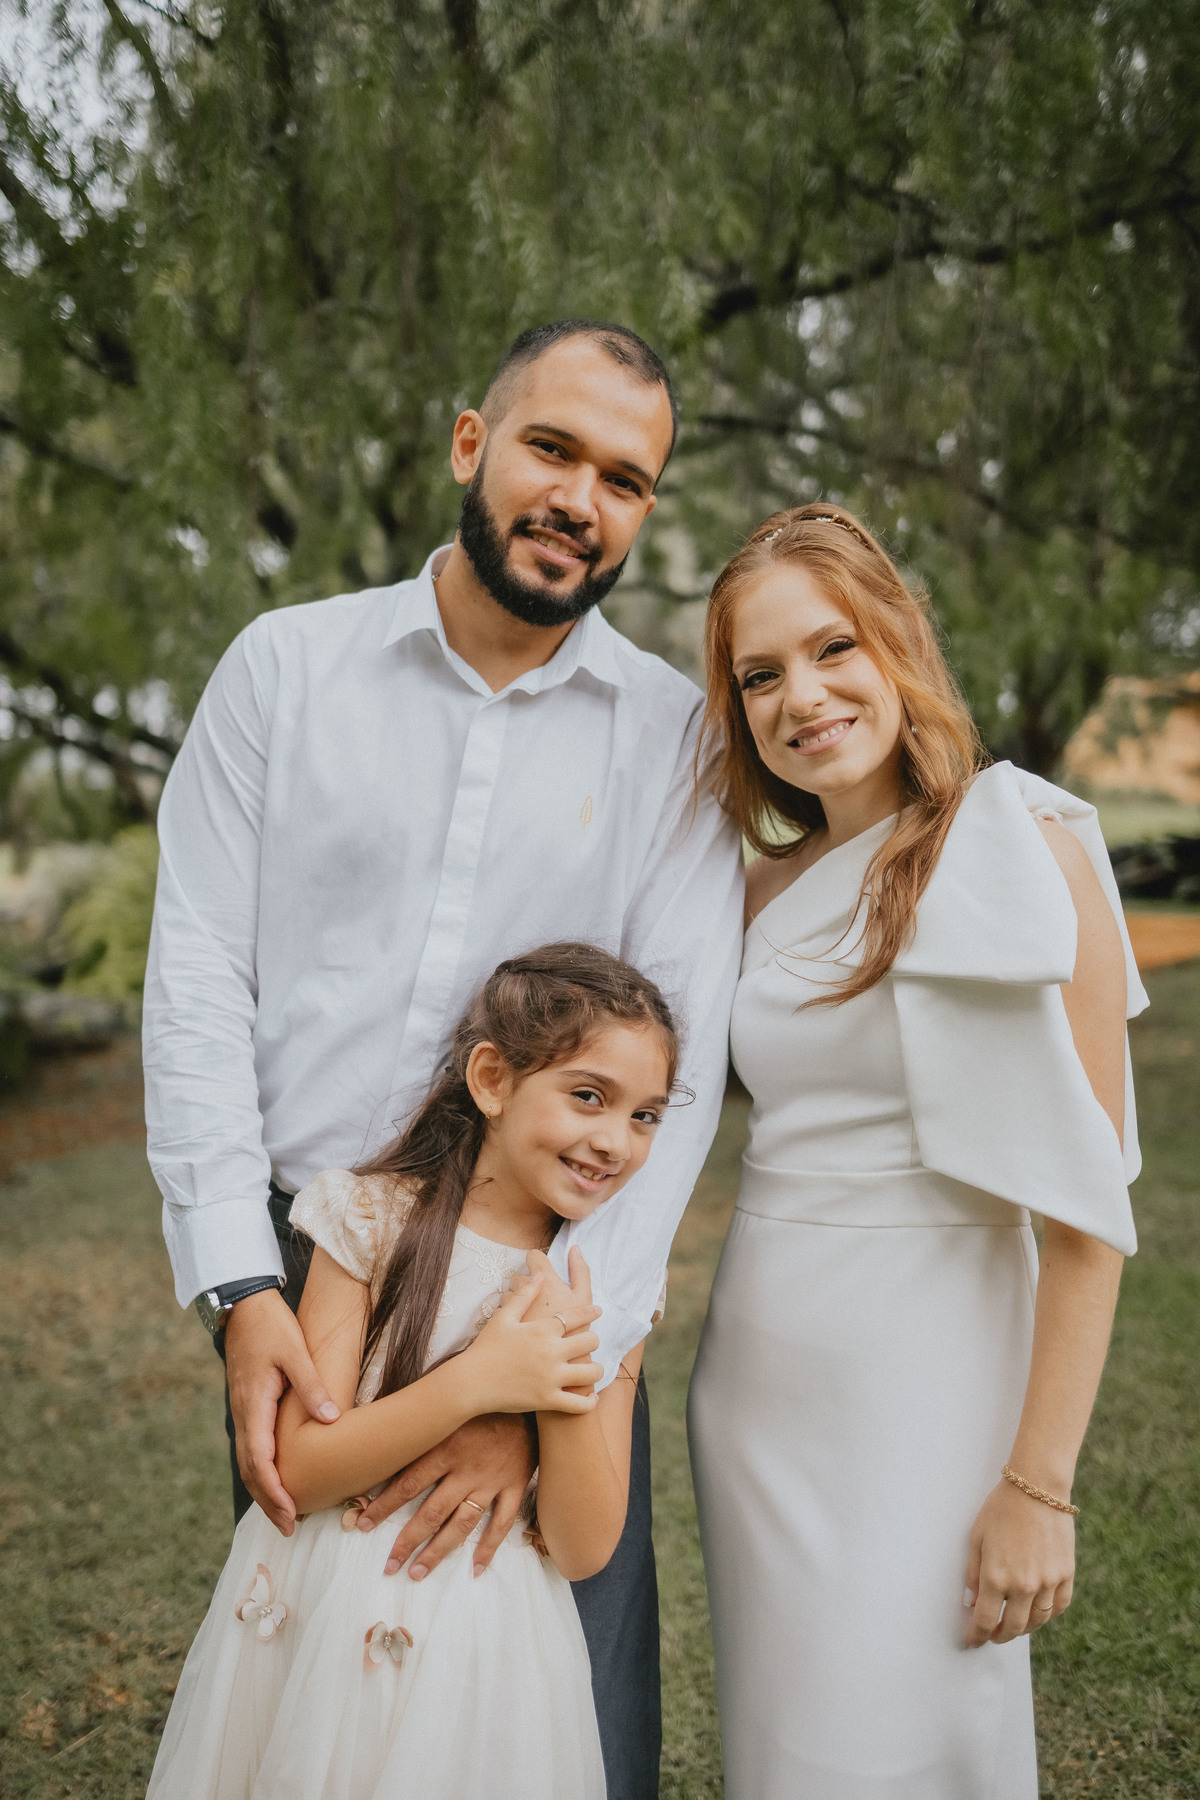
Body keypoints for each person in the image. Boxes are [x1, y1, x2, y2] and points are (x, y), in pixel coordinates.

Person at [142, 320, 744, 1800]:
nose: (581, 500)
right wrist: (237, 1288)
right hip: (310, 1282)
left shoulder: (674, 740)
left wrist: (548, 1390)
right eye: (553, 449)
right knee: (313, 1668)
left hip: (549, 1293)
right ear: (472, 443)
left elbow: (680, 1072)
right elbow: (200, 976)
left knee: (561, 1713)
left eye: (625, 479)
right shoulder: (285, 670)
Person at [686, 502, 1145, 1799]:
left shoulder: (1018, 848)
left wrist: (1039, 1487)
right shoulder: (757, 889)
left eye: (832, 648)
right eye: (760, 675)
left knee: (898, 1739)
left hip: (927, 1392)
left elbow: (1088, 1215)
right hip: (756, 1390)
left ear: (897, 642)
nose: (803, 697)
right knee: (787, 1753)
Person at [147, 944, 679, 1800]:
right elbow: (299, 1472)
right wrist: (477, 1383)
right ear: (493, 1079)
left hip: (486, 1639)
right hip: (327, 1610)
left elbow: (583, 1549)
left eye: (646, 1115)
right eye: (588, 1096)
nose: (616, 1141)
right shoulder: (369, 1218)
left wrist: (563, 1370)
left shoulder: (609, 1285)